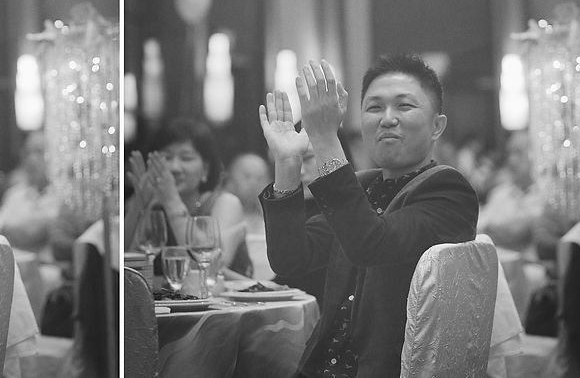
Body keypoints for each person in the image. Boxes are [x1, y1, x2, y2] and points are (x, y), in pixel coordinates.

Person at [259, 55, 478, 378]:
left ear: (437, 126)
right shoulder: (362, 187)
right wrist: (288, 164)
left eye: (404, 106)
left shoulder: (449, 192)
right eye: (374, 108)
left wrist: (325, 140)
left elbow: (370, 243)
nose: (387, 119)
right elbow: (291, 260)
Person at [125, 117, 250, 277]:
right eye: (167, 157)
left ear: (206, 169)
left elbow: (211, 268)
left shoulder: (226, 203)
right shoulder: (155, 207)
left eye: (186, 158)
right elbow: (128, 266)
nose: (175, 167)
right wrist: (139, 205)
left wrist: (172, 201)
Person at [0, 129, 60, 260]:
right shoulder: (14, 194)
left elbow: (34, 231)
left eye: (39, 152)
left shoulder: (63, 196)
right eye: (27, 153)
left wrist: (8, 230)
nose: (31, 159)